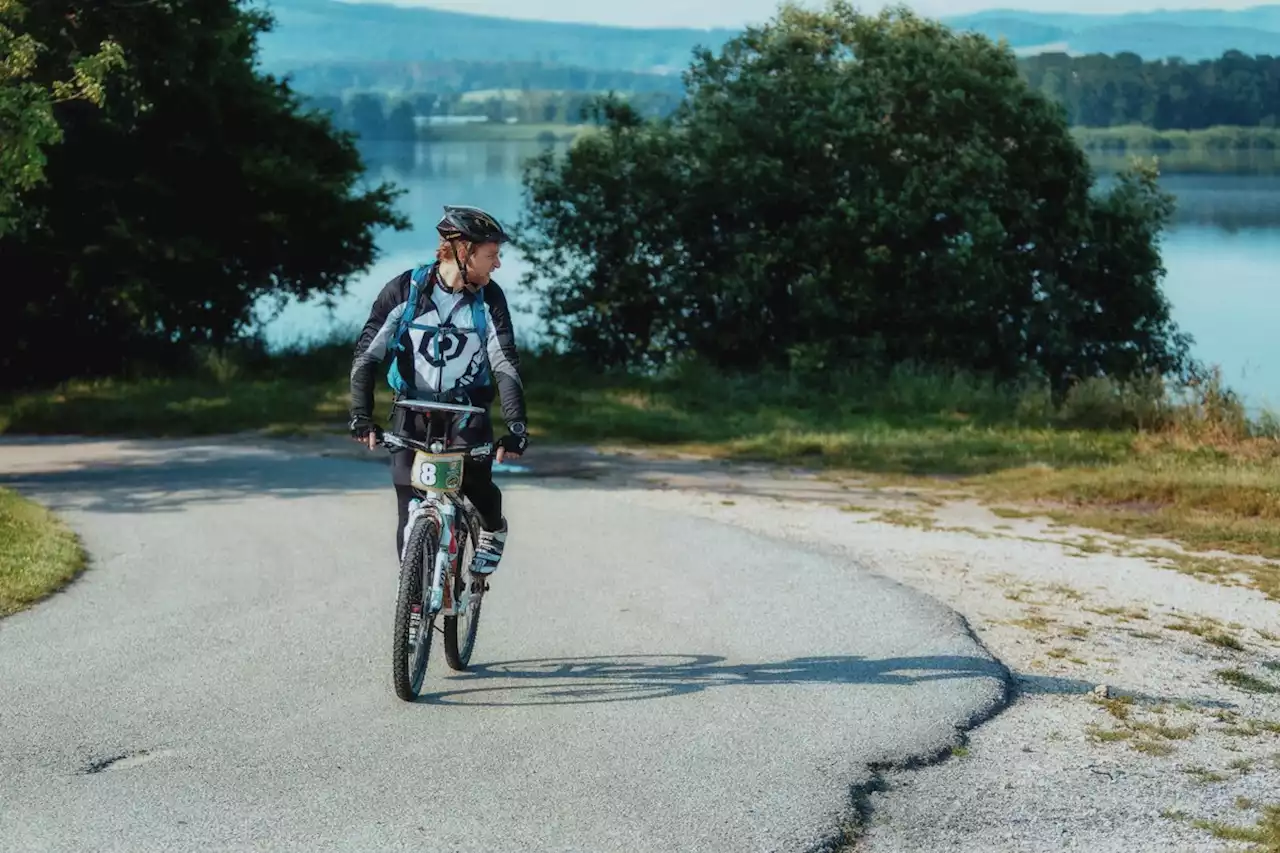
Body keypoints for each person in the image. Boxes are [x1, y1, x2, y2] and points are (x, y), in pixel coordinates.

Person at [347, 204, 529, 577]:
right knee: (407, 503)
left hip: (467, 413)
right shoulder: (405, 290)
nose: (497, 265)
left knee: (478, 488)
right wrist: (361, 415)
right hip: (411, 411)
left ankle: (493, 531)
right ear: (463, 252)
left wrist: (516, 427)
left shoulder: (489, 299)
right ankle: (412, 600)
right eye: (491, 255)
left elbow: (504, 362)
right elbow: (367, 355)